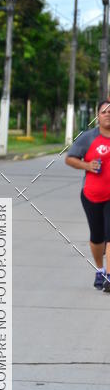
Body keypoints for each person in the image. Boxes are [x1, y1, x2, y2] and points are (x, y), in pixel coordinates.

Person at [65, 98, 110, 291]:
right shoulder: (88, 137)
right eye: (104, 112)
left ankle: (109, 276)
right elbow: (70, 159)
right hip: (91, 195)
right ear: (97, 117)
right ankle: (100, 270)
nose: (108, 114)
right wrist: (87, 165)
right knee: (97, 236)